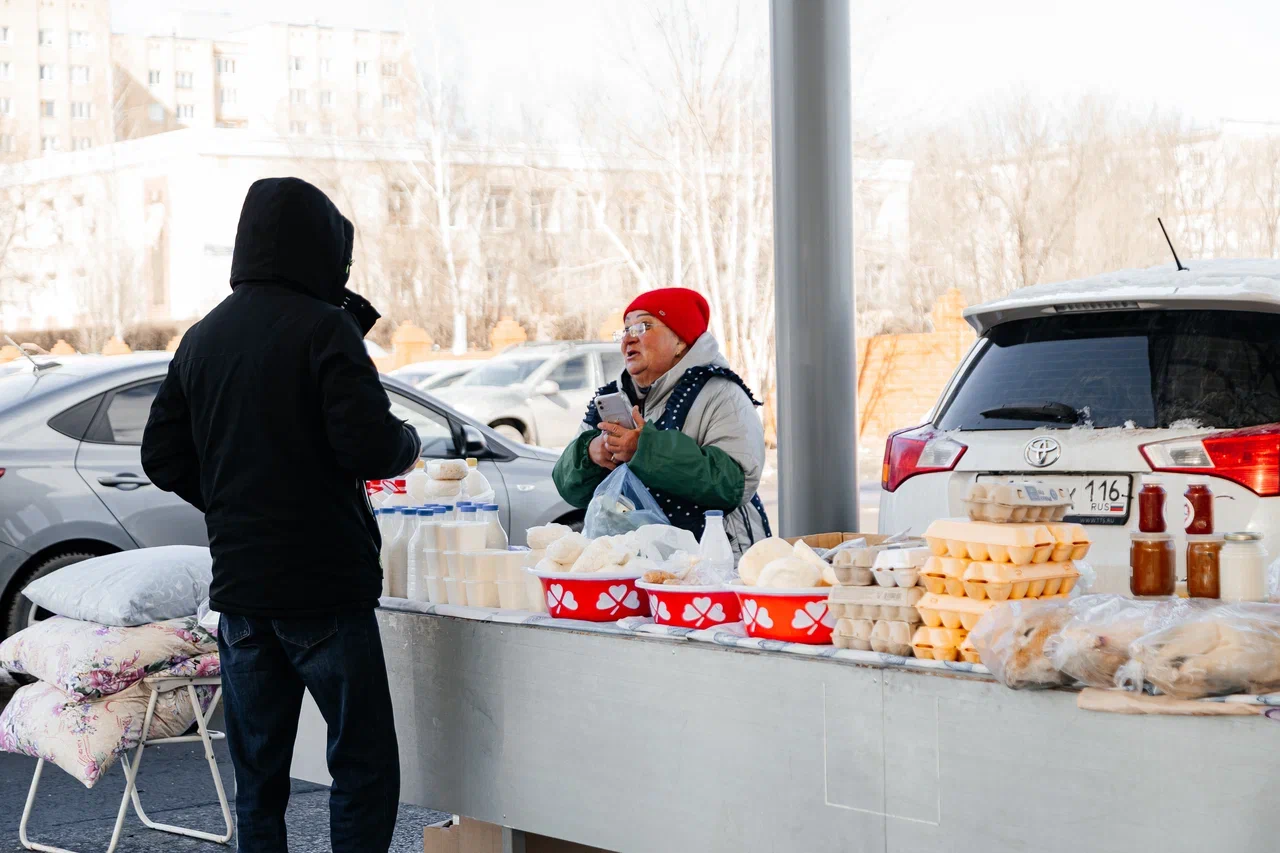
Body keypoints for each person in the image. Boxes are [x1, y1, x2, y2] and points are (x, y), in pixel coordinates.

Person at [141, 177, 420, 853]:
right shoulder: (325, 328)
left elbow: (161, 454)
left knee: (257, 781)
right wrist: (408, 440)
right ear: (319, 247)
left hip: (242, 591)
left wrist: (236, 499)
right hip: (323, 587)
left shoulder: (202, 336)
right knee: (362, 767)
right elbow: (371, 444)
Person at [553, 287, 770, 554]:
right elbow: (568, 487)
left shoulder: (722, 393)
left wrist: (645, 450)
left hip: (713, 559)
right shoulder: (610, 400)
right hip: (634, 563)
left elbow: (734, 483)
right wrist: (590, 455)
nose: (628, 339)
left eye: (643, 326)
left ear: (680, 341)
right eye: (625, 330)